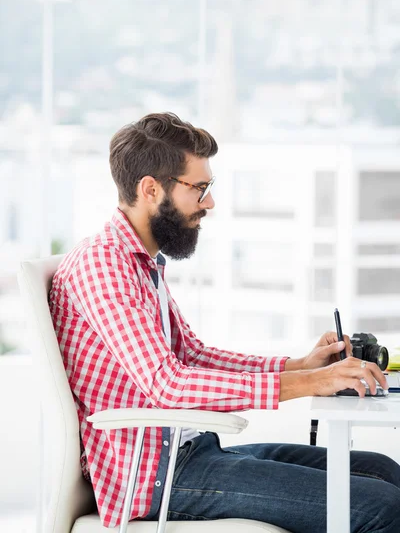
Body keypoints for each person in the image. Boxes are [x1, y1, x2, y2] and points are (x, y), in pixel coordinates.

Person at [49, 112, 400, 533]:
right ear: (150, 189)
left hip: (190, 453)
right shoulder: (102, 265)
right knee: (379, 506)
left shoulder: (141, 264)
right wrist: (313, 384)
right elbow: (168, 384)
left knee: (381, 470)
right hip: (155, 478)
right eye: (199, 188)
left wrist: (303, 366)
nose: (209, 202)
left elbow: (192, 355)